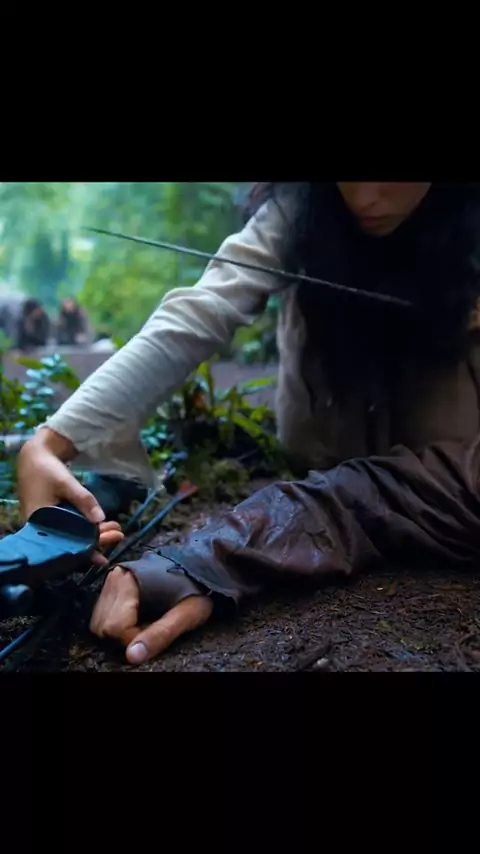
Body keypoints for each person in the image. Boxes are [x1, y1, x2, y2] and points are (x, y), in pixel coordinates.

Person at [17, 182, 480, 666]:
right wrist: (54, 439)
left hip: (445, 466)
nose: (365, 198)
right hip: (326, 439)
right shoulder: (304, 205)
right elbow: (203, 308)